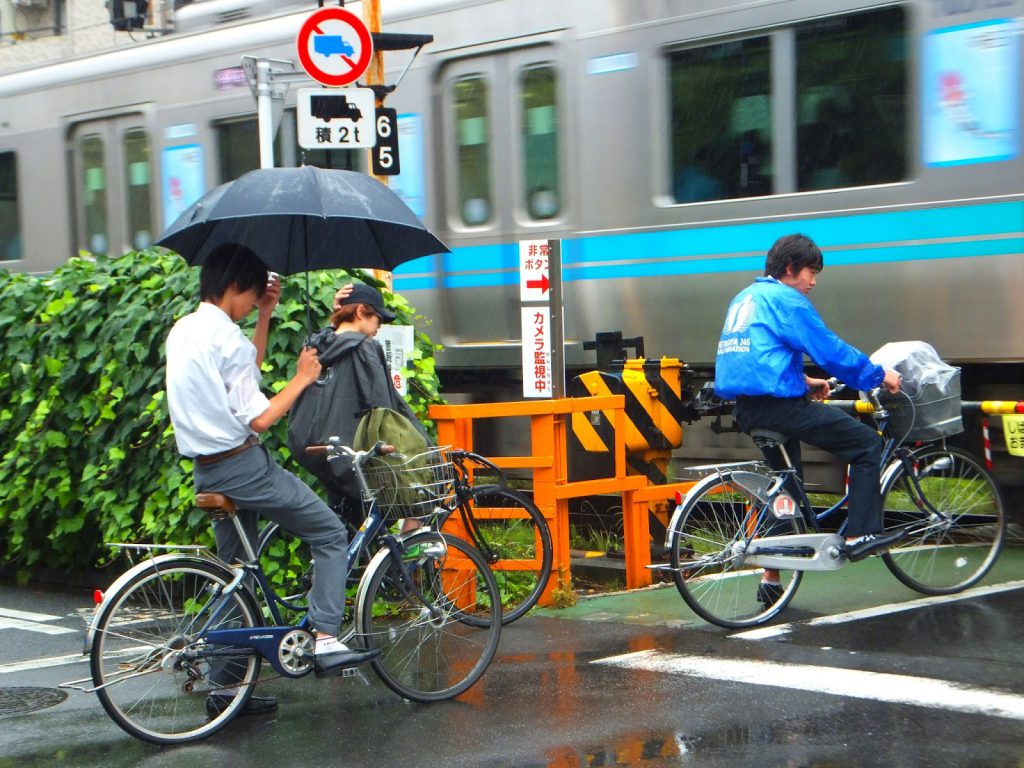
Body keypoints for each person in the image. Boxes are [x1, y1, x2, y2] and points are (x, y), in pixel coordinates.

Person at [164, 244, 377, 717]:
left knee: (234, 577)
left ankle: (225, 694)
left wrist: (264, 317)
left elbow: (245, 376)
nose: (251, 304)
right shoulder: (227, 339)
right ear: (235, 286)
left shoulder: (184, 330)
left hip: (207, 468)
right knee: (329, 533)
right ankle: (325, 638)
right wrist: (302, 377)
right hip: (244, 467)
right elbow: (259, 417)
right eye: (252, 296)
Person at [713, 233, 906, 605]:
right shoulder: (787, 300)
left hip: (749, 409)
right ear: (790, 269)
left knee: (786, 487)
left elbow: (756, 358)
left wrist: (804, 381)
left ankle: (771, 579)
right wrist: (877, 375)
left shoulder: (746, 297)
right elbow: (829, 350)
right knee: (867, 444)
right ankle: (860, 535)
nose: (813, 282)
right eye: (811, 272)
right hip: (781, 409)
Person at [289, 282, 431, 531]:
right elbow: (383, 406)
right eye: (378, 318)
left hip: (317, 449)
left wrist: (336, 315)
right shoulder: (365, 347)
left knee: (345, 526)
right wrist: (420, 440)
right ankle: (404, 551)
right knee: (417, 497)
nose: (379, 326)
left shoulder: (314, 346)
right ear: (361, 311)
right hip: (354, 451)